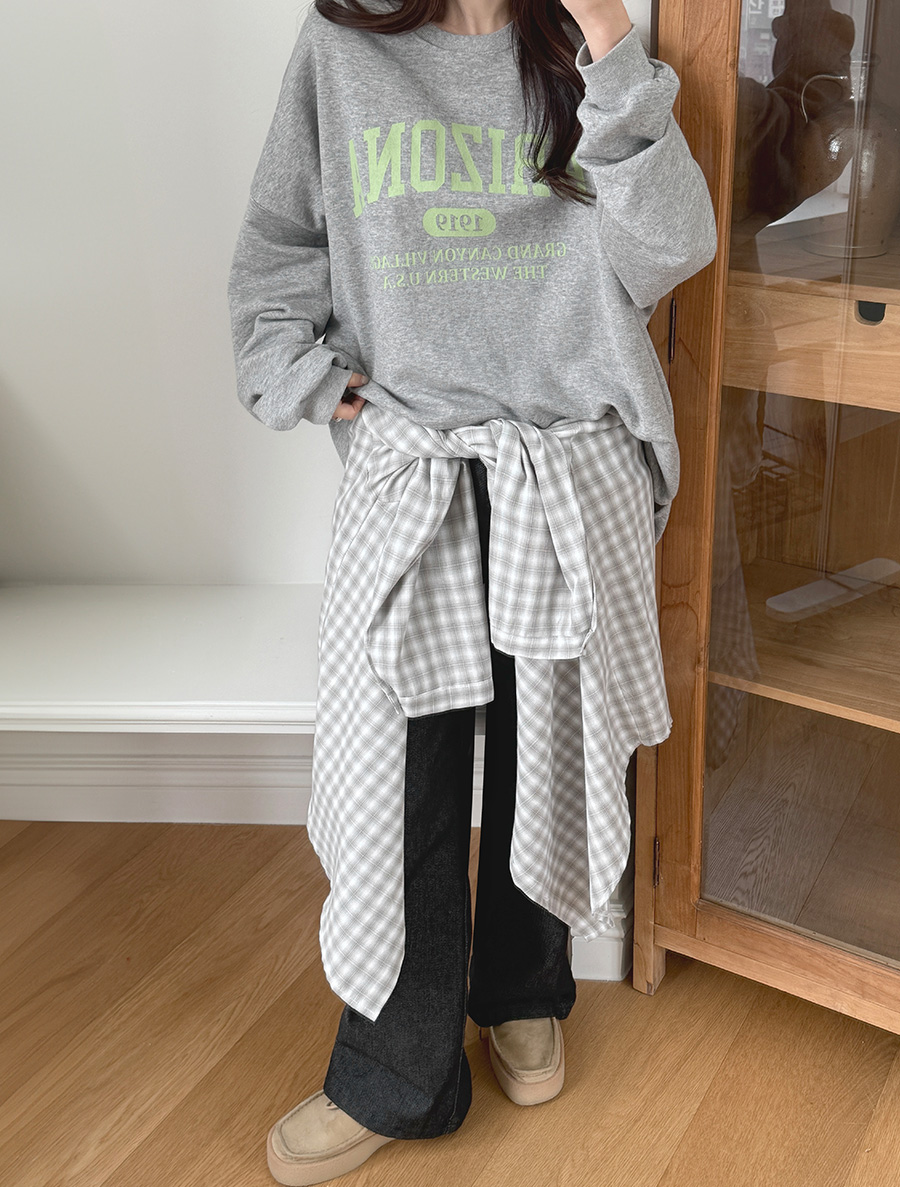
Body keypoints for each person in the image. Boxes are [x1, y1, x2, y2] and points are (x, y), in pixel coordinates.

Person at [227, 0, 717, 1182]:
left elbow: (669, 250)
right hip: (417, 468)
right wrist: (308, 378)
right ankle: (397, 1066)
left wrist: (610, 43)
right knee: (404, 772)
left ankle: (523, 987)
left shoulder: (591, 52)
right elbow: (277, 242)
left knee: (548, 746)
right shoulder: (343, 46)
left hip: (572, 464)